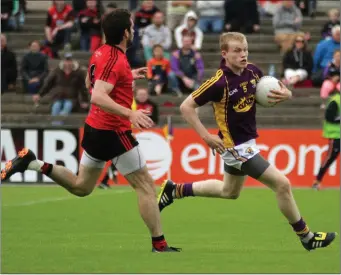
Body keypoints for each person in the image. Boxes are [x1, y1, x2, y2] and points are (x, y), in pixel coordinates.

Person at [1, 9, 180, 253]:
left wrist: (127, 76)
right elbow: (96, 95)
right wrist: (129, 113)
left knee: (81, 186)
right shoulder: (115, 58)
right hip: (113, 131)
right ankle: (159, 245)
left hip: (95, 128)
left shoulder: (100, 52)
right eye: (132, 26)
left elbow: (90, 82)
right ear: (125, 33)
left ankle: (33, 163)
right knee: (146, 187)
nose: (134, 29)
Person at [157, 32, 336, 252]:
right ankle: (306, 236)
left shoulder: (253, 72)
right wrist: (206, 136)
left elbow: (268, 91)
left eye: (245, 50)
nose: (243, 54)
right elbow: (186, 107)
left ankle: (174, 190)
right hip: (234, 147)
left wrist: (286, 94)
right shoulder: (218, 82)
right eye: (237, 51)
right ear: (224, 54)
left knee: (229, 191)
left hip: (247, 143)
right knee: (282, 184)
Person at [312, 90, 340, 191]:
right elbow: (329, 117)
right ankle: (317, 181)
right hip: (336, 135)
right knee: (330, 158)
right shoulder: (336, 101)